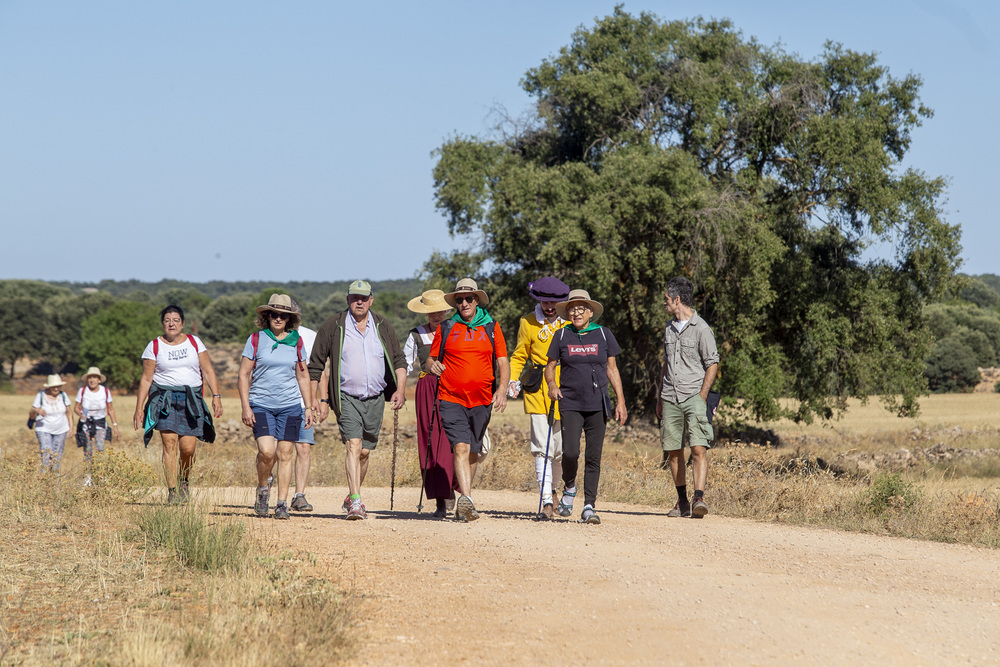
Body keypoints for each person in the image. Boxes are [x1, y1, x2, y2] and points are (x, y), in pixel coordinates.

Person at [308, 280, 407, 520]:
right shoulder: (334, 325)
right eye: (355, 298)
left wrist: (400, 390)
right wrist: (315, 400)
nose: (359, 302)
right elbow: (315, 366)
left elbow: (399, 361)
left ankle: (352, 494)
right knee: (353, 444)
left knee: (364, 452)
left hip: (375, 398)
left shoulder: (382, 325)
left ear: (371, 300)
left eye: (364, 298)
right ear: (348, 300)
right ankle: (356, 502)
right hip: (345, 396)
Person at [427, 278, 510, 522]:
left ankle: (465, 501)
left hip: (482, 399)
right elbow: (430, 359)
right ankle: (467, 501)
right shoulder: (446, 327)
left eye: (468, 299)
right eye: (460, 300)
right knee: (461, 446)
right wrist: (433, 366)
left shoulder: (491, 327)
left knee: (473, 450)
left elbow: (503, 361)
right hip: (450, 397)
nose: (464, 303)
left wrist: (502, 389)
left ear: (477, 301)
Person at [544, 289, 627, 525]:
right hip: (569, 402)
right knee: (570, 452)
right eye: (571, 308)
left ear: (590, 312)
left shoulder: (603, 334)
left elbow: (612, 369)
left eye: (581, 308)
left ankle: (589, 505)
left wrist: (620, 401)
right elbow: (550, 366)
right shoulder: (561, 335)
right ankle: (569, 485)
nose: (576, 312)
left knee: (594, 457)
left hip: (597, 403)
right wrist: (552, 384)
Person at [134, 305, 223, 504]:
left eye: (175, 320)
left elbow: (208, 370)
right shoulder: (154, 346)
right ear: (162, 323)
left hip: (191, 399)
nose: (171, 323)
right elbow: (146, 379)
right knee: (169, 444)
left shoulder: (194, 342)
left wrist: (216, 395)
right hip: (165, 399)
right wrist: (139, 408)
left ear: (182, 323)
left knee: (188, 448)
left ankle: (184, 480)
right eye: (167, 320)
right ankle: (173, 492)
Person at [238, 294, 315, 520]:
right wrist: (245, 406)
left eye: (283, 315)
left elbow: (302, 376)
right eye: (274, 314)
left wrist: (308, 407)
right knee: (267, 451)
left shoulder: (296, 341)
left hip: (290, 405)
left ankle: (281, 503)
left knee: (286, 452)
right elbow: (244, 375)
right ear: (267, 316)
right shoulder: (256, 339)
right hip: (261, 403)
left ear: (289, 319)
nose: (278, 318)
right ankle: (263, 489)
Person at [507, 277, 571, 519]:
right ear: (540, 301)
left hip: (565, 385)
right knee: (541, 447)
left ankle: (555, 490)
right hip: (537, 388)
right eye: (545, 302)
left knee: (560, 448)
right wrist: (513, 380)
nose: (550, 307)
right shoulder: (528, 321)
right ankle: (546, 499)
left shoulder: (569, 322)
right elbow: (519, 354)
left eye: (554, 303)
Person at [656, 277, 719, 518]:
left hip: (694, 396)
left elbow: (712, 363)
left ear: (677, 300)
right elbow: (665, 364)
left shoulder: (701, 328)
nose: (665, 303)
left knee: (698, 448)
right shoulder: (668, 329)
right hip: (670, 396)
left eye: (666, 300)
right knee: (673, 450)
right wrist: (660, 397)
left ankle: (699, 499)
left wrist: (702, 396)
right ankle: (681, 501)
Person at [404, 289, 457, 518]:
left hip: (452, 388)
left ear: (446, 310)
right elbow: (405, 365)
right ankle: (438, 499)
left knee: (449, 441)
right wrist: (397, 390)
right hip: (426, 390)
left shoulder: (455, 331)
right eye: (430, 312)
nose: (436, 315)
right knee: (429, 441)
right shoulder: (415, 335)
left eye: (439, 310)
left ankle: (453, 489)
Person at [289, 296, 327, 513]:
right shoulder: (266, 337)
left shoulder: (311, 337)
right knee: (275, 450)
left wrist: (322, 400)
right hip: (276, 401)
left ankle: (299, 495)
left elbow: (319, 370)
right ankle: (268, 486)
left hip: (304, 402)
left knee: (303, 448)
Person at [73, 366, 120, 486]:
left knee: (100, 448)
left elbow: (110, 408)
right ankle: (88, 476)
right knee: (87, 450)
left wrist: (115, 425)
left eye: (94, 377)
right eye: (90, 377)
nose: (92, 380)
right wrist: (80, 413)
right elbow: (76, 407)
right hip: (86, 424)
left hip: (100, 423)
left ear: (99, 379)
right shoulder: (83, 391)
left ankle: (101, 474)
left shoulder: (105, 391)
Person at [30, 374, 74, 472]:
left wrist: (71, 428)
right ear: (49, 387)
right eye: (54, 386)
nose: (56, 388)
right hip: (43, 429)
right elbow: (31, 414)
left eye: (58, 386)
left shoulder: (63, 395)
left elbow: (69, 412)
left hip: (61, 429)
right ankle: (45, 476)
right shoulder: (40, 396)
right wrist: (37, 410)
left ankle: (55, 476)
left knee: (57, 455)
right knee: (46, 453)